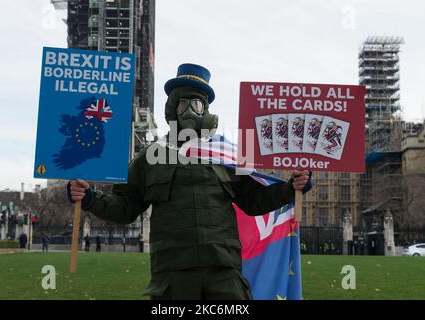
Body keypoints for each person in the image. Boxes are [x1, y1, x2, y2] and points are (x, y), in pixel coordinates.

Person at [68, 63, 312, 300]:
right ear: (172, 107)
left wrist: (291, 189)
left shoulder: (225, 153)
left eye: (196, 104)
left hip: (222, 267)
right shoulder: (151, 156)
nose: (189, 111)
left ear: (205, 109)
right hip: (173, 271)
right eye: (183, 103)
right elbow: (125, 207)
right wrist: (90, 199)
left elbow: (254, 201)